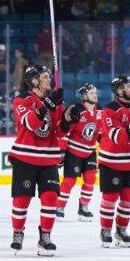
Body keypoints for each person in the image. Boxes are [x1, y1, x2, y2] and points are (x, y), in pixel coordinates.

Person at [8, 65, 75, 256]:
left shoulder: (54, 102)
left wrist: (68, 120)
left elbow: (59, 131)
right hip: (25, 157)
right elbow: (31, 123)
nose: (49, 80)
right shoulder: (22, 100)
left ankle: (45, 236)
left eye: (48, 76)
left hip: (48, 158)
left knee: (51, 198)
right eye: (45, 77)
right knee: (22, 200)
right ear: (34, 81)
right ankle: (18, 233)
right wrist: (48, 104)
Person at [98, 75, 130, 248]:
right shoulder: (110, 109)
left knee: (128, 198)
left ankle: (121, 229)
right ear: (119, 90)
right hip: (111, 160)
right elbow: (115, 135)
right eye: (127, 85)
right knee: (110, 198)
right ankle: (105, 230)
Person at [56, 83, 100, 221]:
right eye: (92, 92)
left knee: (91, 179)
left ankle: (84, 207)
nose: (95, 95)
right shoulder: (77, 110)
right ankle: (59, 206)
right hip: (74, 152)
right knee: (69, 181)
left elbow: (101, 134)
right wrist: (62, 151)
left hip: (90, 152)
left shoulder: (100, 112)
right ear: (85, 95)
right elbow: (66, 132)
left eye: (96, 92)